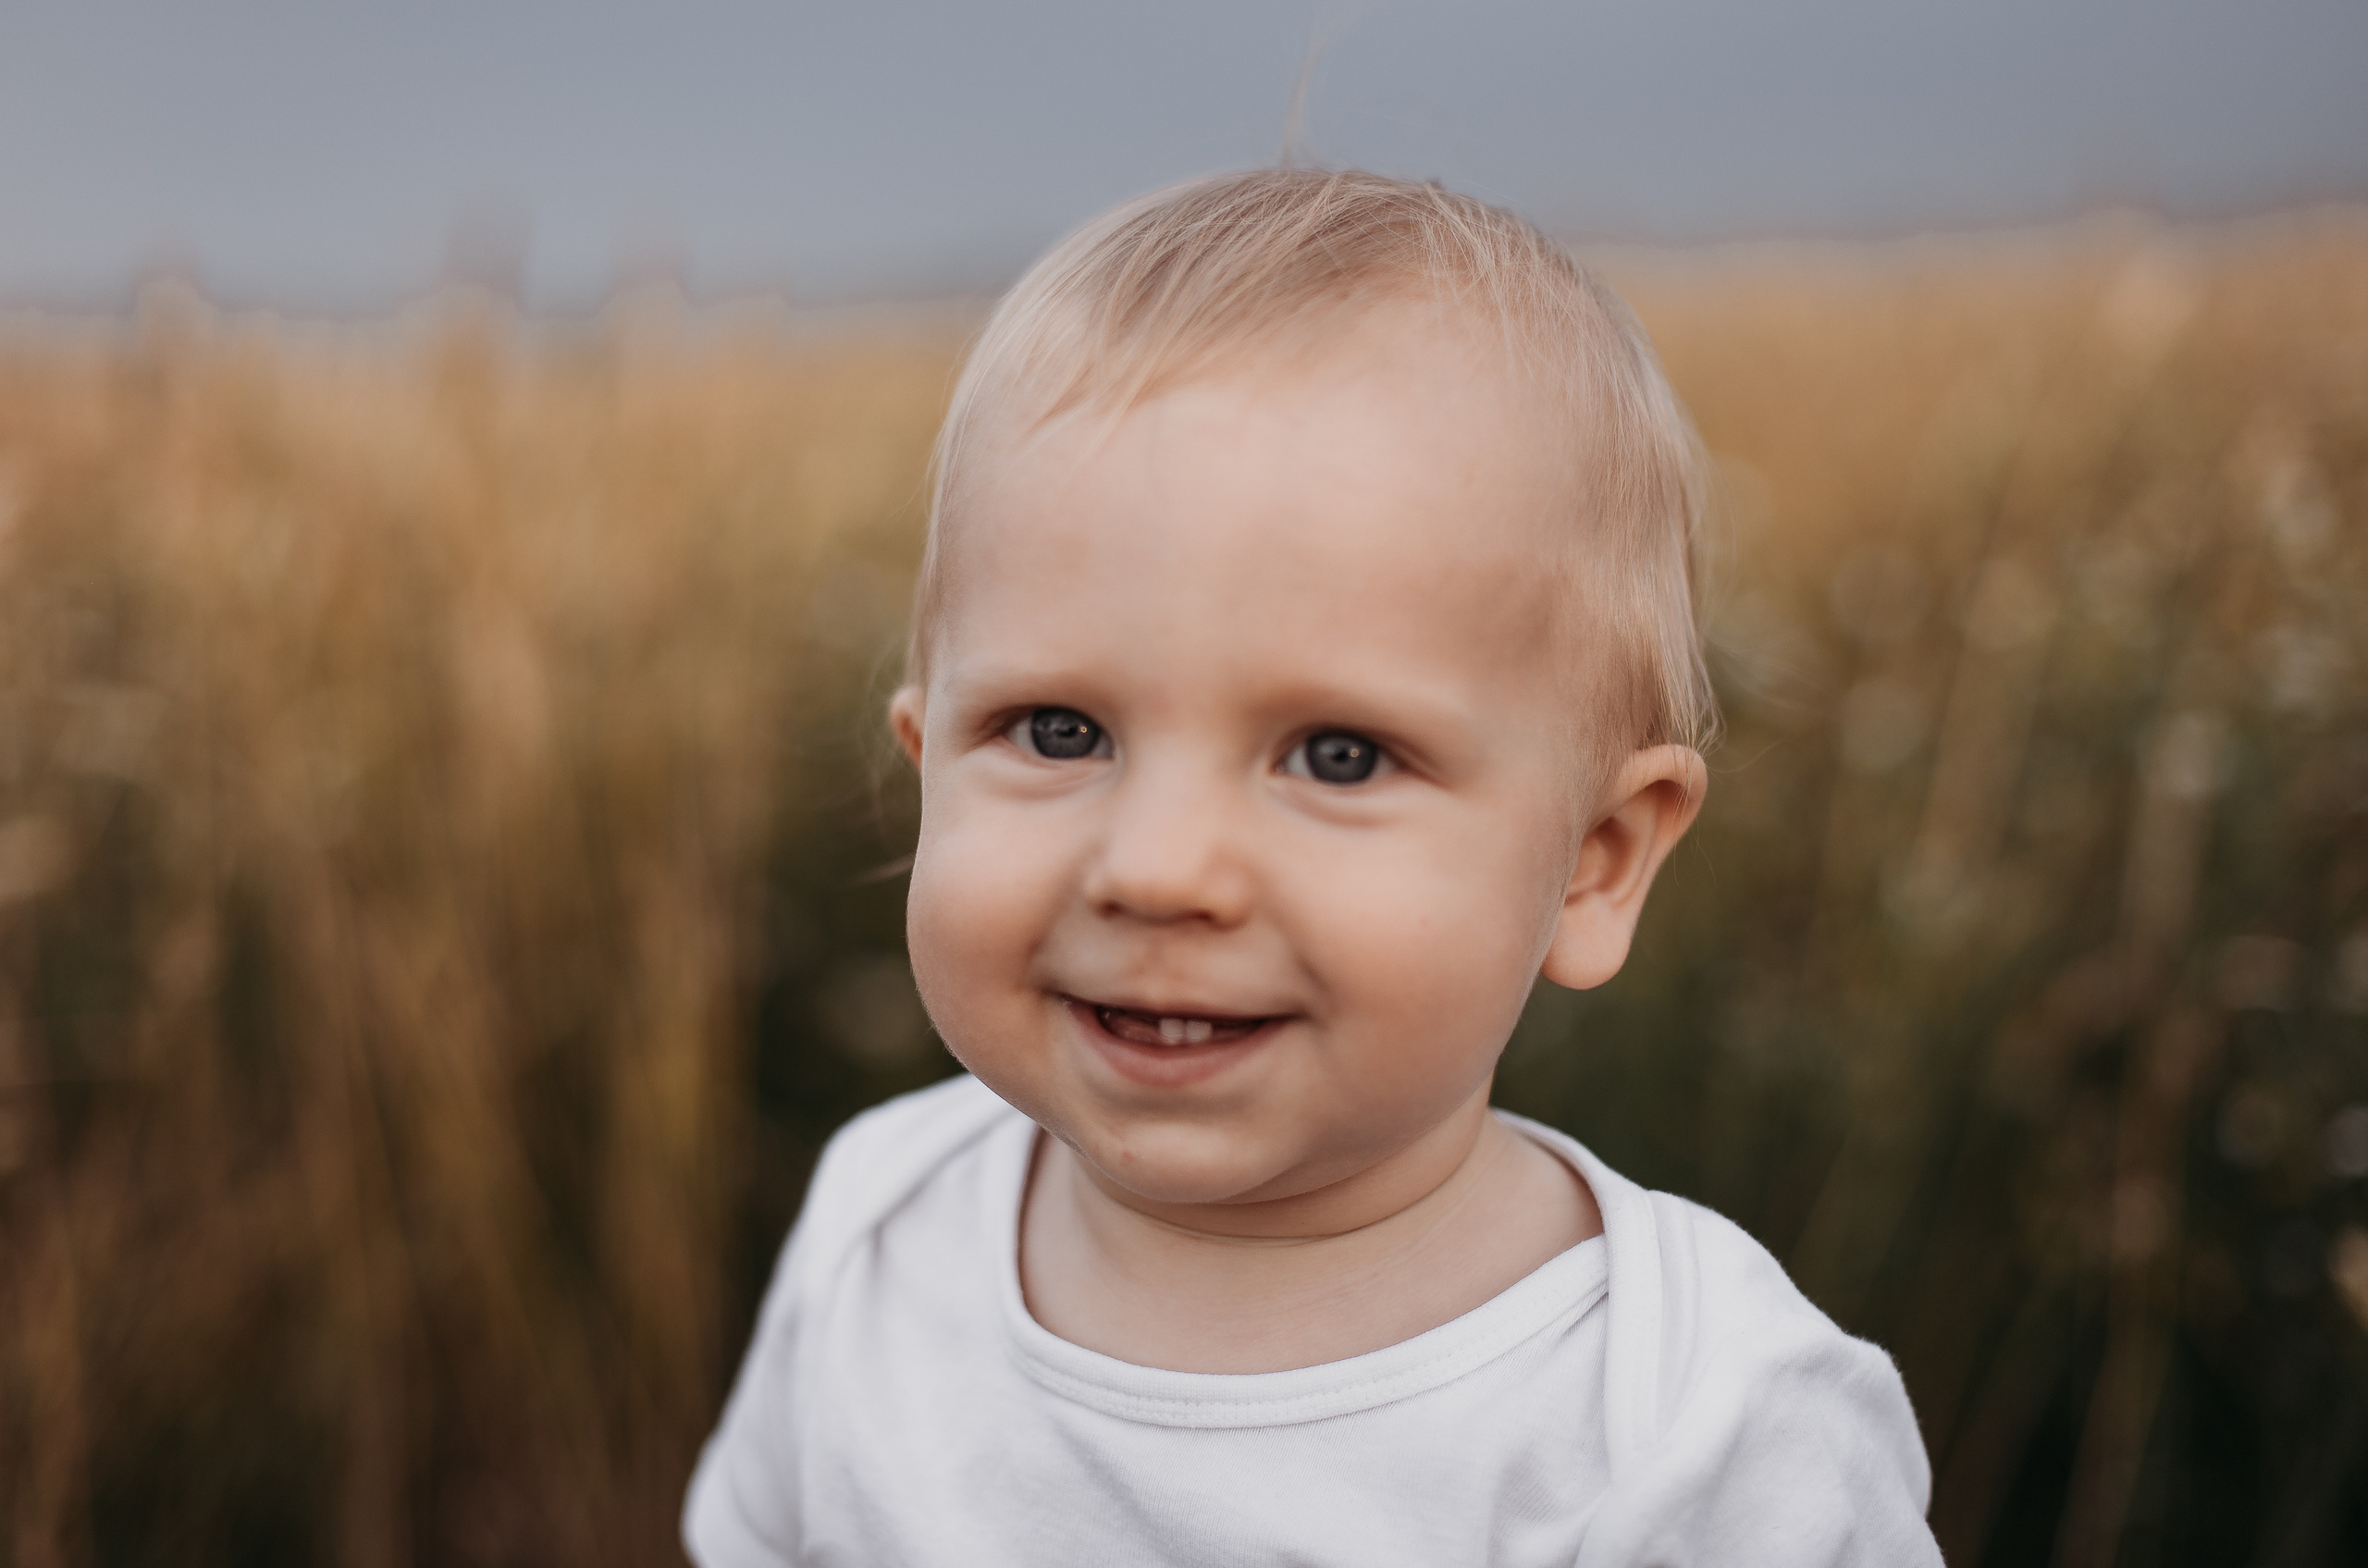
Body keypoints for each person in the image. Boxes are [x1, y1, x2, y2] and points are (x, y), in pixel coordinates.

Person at [684, 168, 1942, 1566]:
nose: (1158, 870)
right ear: (925, 767)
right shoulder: (880, 1231)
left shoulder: (1693, 1433)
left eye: (1337, 758)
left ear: (1595, 864)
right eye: (1058, 731)